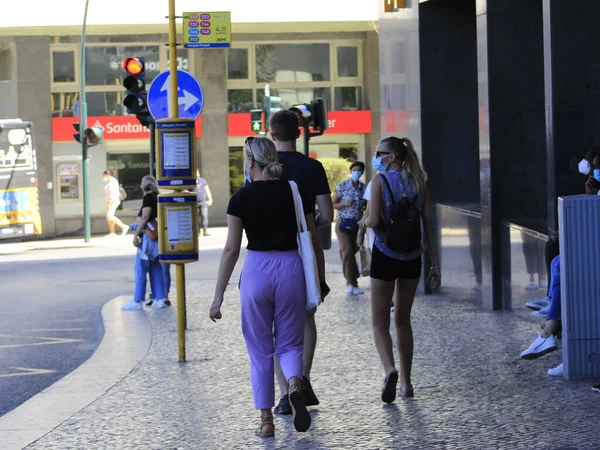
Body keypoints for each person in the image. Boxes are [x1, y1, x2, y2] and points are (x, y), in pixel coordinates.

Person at [209, 137, 318, 437]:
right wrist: (318, 279)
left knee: (259, 350)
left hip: (257, 271)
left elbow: (231, 249)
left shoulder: (240, 199)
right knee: (290, 343)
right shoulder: (295, 191)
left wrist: (218, 296)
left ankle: (266, 422)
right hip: (290, 269)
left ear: (251, 162)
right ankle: (294, 384)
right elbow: (311, 236)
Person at [360, 136, 440, 403]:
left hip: (385, 255)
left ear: (392, 157)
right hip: (412, 259)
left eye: (379, 153)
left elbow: (372, 221)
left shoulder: (379, 182)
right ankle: (406, 384)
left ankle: (389, 369)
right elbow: (429, 226)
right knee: (403, 321)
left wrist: (363, 221)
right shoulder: (420, 183)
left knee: (378, 323)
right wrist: (435, 264)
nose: (376, 156)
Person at [268, 110, 333, 416]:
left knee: (275, 326)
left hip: (270, 252)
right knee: (307, 317)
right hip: (305, 250)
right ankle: (303, 380)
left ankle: (284, 393)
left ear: (271, 133)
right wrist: (308, 222)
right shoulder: (313, 167)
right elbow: (328, 215)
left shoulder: (264, 168)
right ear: (298, 133)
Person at [121, 175, 168, 310]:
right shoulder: (156, 196)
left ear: (143, 186)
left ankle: (137, 300)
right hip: (156, 240)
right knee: (156, 269)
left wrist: (136, 234)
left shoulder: (148, 197)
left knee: (140, 269)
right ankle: (159, 298)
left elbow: (145, 216)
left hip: (147, 241)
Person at [333, 161, 367, 294]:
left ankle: (352, 280)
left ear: (362, 172)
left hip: (356, 225)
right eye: (354, 170)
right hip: (342, 223)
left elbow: (367, 206)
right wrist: (344, 203)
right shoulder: (342, 186)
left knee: (352, 252)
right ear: (351, 171)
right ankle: (351, 283)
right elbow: (332, 204)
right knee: (347, 251)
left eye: (359, 170)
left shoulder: (364, 189)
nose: (357, 172)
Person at [103, 170, 128, 236]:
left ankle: (123, 226)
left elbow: (112, 193)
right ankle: (112, 232)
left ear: (107, 175)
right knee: (109, 216)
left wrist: (109, 203)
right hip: (110, 201)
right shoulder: (108, 181)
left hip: (113, 201)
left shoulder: (112, 181)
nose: (104, 177)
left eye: (104, 175)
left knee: (110, 215)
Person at [193, 170, 213, 236]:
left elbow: (207, 190)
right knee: (196, 217)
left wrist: (210, 199)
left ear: (199, 173)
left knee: (204, 216)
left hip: (203, 201)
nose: (196, 174)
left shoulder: (203, 181)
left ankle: (205, 231)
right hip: (194, 202)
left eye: (197, 173)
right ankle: (198, 231)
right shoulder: (190, 181)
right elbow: (186, 190)